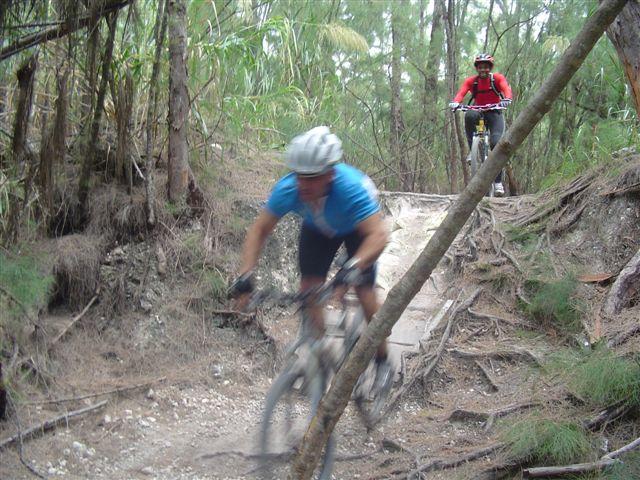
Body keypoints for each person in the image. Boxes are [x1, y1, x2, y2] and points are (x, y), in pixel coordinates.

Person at [228, 126, 392, 389]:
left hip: (357, 229)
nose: (303, 184)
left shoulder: (350, 188)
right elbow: (259, 229)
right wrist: (246, 275)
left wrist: (353, 266)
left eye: (312, 178)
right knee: (309, 291)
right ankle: (318, 354)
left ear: (329, 174)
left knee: (364, 291)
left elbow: (379, 236)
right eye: (299, 176)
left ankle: (383, 360)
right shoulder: (288, 189)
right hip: (318, 230)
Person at [449, 53, 513, 196]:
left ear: (489, 68)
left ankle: (497, 183)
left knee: (496, 143)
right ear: (477, 68)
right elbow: (461, 93)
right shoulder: (472, 81)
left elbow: (505, 89)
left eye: (485, 67)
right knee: (469, 115)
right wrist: (456, 102)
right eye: (480, 67)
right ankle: (473, 149)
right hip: (479, 111)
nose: (483, 70)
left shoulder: (497, 78)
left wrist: (507, 99)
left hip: (495, 113)